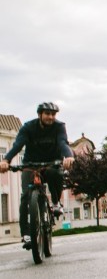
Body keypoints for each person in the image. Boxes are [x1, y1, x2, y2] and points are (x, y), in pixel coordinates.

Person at [0, 103, 75, 249]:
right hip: (30, 164)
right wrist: (5, 160)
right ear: (40, 114)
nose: (50, 117)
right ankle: (26, 234)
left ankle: (55, 202)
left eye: (53, 114)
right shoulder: (28, 127)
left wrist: (69, 156)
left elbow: (63, 143)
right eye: (47, 113)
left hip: (51, 163)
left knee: (56, 173)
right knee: (25, 197)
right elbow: (17, 145)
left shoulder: (59, 127)